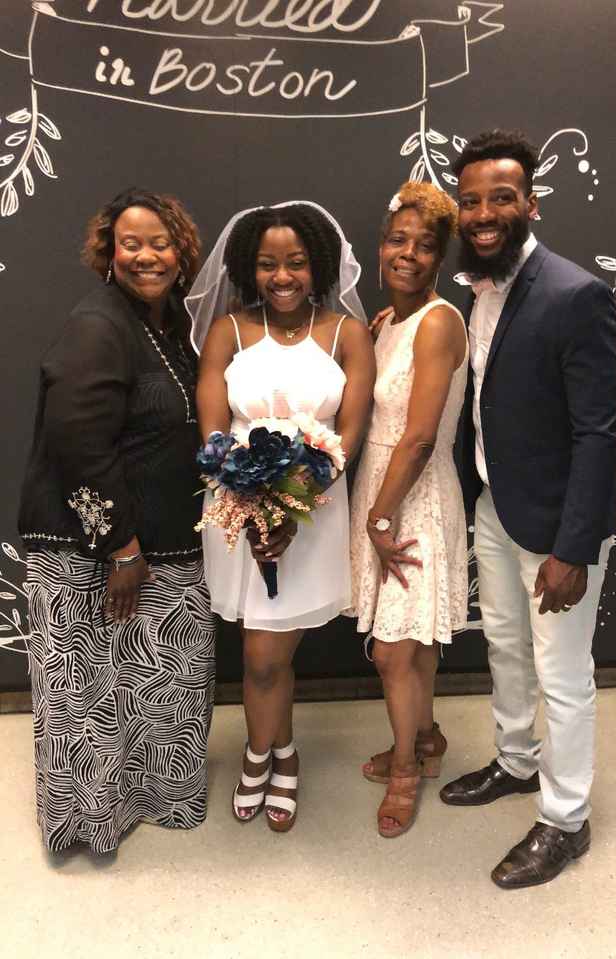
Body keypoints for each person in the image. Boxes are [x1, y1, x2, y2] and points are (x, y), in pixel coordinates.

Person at [441, 129, 616, 887]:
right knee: (506, 649)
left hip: (554, 530)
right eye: (472, 199)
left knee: (562, 672)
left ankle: (566, 819)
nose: (484, 212)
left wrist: (573, 547)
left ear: (530, 204)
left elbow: (598, 429)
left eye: (501, 198)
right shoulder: (480, 288)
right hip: (496, 505)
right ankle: (517, 762)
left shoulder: (573, 293)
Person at [18, 188, 214, 854]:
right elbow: (77, 440)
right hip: (95, 554)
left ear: (181, 250)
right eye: (131, 243)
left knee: (149, 688)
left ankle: (155, 797)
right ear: (109, 251)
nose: (146, 255)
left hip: (158, 547)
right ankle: (88, 822)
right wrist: (123, 551)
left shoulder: (160, 323)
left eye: (160, 242)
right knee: (93, 697)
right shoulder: (98, 323)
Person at [189, 201, 374, 832]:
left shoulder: (348, 332)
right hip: (238, 508)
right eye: (268, 264)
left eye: (296, 262)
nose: (282, 276)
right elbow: (214, 434)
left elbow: (348, 433)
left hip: (314, 509)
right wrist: (250, 499)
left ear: (317, 263)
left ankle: (264, 752)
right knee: (262, 651)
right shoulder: (229, 332)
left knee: (270, 653)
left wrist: (295, 502)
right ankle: (276, 751)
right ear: (249, 268)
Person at [348, 182, 468, 838]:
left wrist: (381, 516)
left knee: (394, 651)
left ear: (439, 260)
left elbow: (419, 436)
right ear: (381, 247)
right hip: (384, 491)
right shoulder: (385, 322)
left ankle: (404, 769)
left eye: (425, 246)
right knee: (412, 644)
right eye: (399, 240)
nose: (409, 254)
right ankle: (426, 737)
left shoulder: (439, 322)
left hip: (412, 498)